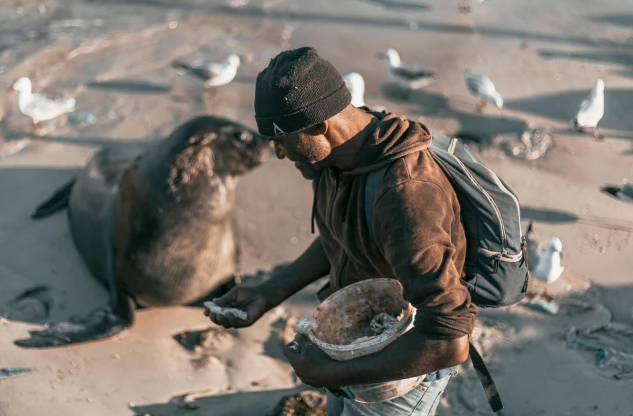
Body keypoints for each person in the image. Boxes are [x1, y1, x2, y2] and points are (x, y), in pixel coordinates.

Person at [204, 47, 477, 416]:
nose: (279, 155)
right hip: (351, 343)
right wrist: (269, 292)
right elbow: (343, 235)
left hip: (405, 362)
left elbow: (449, 340)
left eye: (281, 141)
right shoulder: (334, 155)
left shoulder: (406, 197)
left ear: (320, 125)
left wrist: (335, 371)